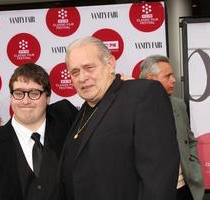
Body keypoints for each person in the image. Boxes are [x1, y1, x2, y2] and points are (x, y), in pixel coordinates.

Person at [58, 36, 180, 200]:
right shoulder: (83, 111)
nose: (82, 77)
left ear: (110, 64)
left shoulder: (143, 94)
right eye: (75, 72)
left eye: (89, 67)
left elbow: (159, 177)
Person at [0, 63, 78, 200]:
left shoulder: (68, 121)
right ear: (11, 97)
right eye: (18, 93)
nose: (25, 101)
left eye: (34, 93)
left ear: (47, 98)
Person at [139, 54, 205, 200]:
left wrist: (194, 171)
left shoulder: (178, 105)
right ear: (151, 79)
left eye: (173, 75)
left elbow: (190, 141)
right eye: (167, 76)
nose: (173, 80)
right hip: (154, 192)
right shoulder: (133, 110)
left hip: (184, 189)